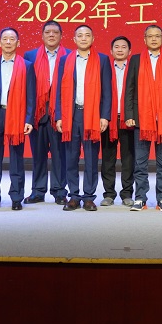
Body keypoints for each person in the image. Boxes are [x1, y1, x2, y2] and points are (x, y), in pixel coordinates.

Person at [124, 24, 162, 211]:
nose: (154, 39)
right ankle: (140, 197)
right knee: (140, 162)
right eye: (150, 36)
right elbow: (129, 89)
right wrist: (129, 114)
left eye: (157, 36)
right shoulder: (136, 60)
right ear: (144, 39)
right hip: (142, 119)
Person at [56, 25, 112, 211]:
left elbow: (107, 91)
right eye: (79, 35)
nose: (83, 38)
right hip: (71, 114)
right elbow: (59, 90)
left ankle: (88, 197)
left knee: (91, 158)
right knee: (71, 157)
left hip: (92, 115)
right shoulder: (65, 60)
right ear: (74, 39)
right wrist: (59, 116)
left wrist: (104, 116)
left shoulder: (102, 59)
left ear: (93, 39)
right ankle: (73, 196)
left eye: (87, 35)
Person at [0, 27, 34, 210]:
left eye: (12, 39)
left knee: (16, 159)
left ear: (18, 43)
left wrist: (29, 119)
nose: (8, 42)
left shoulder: (26, 66)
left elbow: (31, 96)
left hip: (16, 116)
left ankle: (16, 197)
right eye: (5, 39)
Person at [23, 20, 69, 205]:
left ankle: (59, 191)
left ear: (61, 36)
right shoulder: (30, 55)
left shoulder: (69, 55)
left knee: (60, 155)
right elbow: (26, 86)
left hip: (60, 113)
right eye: (48, 32)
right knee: (38, 155)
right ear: (42, 36)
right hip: (38, 113)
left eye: (55, 32)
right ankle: (38, 191)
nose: (51, 35)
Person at [101, 36, 135, 207]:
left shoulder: (134, 69)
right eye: (116, 47)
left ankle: (127, 193)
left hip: (129, 119)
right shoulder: (105, 68)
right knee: (108, 158)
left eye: (123, 47)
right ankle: (109, 194)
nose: (120, 50)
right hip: (108, 118)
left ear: (130, 51)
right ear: (111, 50)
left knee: (128, 158)